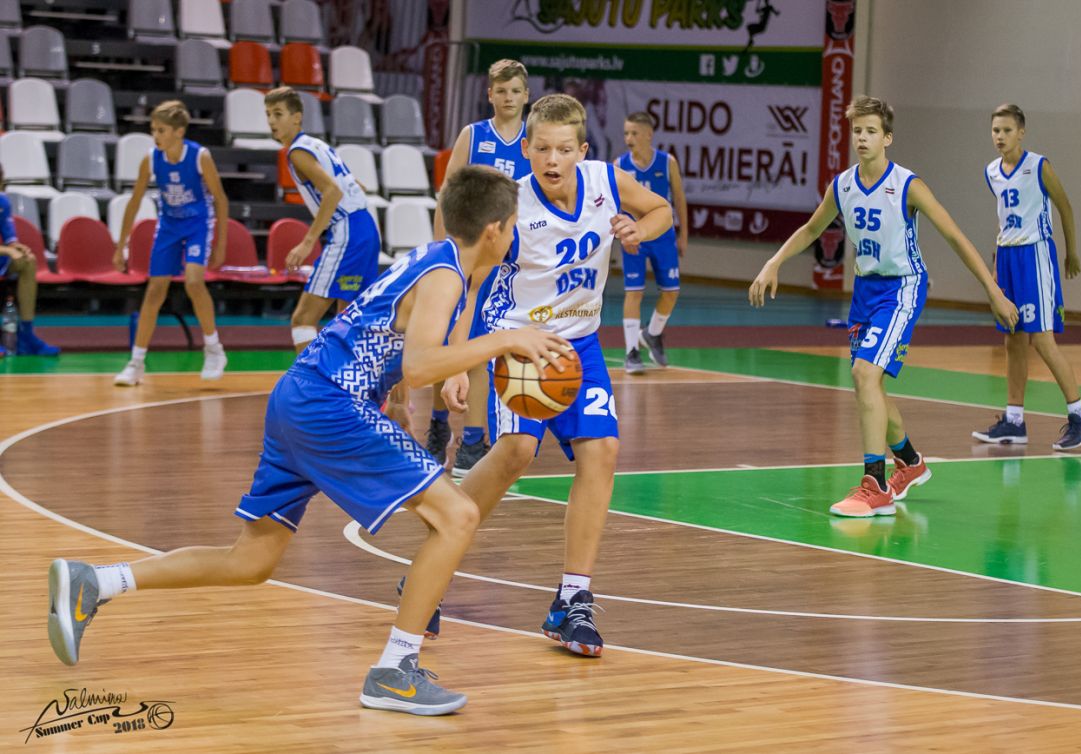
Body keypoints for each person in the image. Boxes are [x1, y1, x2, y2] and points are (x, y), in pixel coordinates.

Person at [47, 165, 570, 716]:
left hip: (299, 395)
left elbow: (392, 337)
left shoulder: (436, 260)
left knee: (250, 560)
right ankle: (395, 669)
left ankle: (96, 582)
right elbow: (419, 366)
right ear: (494, 229)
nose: (515, 232)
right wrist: (503, 340)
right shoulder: (445, 277)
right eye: (513, 223)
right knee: (458, 516)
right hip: (330, 405)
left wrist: (424, 381)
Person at [441, 94, 672, 656]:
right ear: (526, 149)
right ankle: (436, 554)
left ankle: (573, 600)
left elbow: (661, 209)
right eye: (542, 148)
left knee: (603, 450)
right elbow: (470, 282)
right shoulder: (510, 208)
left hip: (581, 345)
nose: (552, 159)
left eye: (564, 149)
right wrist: (458, 362)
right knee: (517, 451)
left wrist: (640, 231)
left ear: (582, 150)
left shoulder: (606, 181)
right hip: (518, 342)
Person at [749, 95, 1019, 518]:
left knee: (864, 373)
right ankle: (910, 462)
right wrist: (774, 262)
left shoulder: (908, 185)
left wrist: (994, 292)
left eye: (871, 131)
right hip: (865, 291)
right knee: (868, 384)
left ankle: (874, 485)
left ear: (887, 138)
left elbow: (955, 237)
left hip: (902, 288)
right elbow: (811, 229)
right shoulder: (842, 186)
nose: (862, 137)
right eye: (857, 130)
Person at [420, 59, 532, 476]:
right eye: (501, 91)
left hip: (508, 262)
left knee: (482, 348)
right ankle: (437, 427)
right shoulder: (474, 135)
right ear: (490, 95)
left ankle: (471, 441)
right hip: (467, 253)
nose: (508, 98)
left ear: (526, 95)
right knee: (447, 343)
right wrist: (441, 251)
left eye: (515, 91)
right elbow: (448, 193)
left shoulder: (533, 141)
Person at [972, 104, 1081, 451]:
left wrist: (1072, 252)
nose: (1000, 136)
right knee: (1013, 339)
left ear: (1021, 132)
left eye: (1007, 130)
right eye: (995, 130)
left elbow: (1065, 206)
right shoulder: (991, 172)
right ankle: (1014, 421)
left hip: (1036, 255)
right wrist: (996, 265)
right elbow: (1004, 218)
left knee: (1042, 340)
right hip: (1008, 258)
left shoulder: (1039, 166)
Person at [112, 101, 228, 385]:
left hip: (198, 224)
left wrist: (221, 244)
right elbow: (134, 202)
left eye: (161, 130)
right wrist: (121, 245)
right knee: (154, 290)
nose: (155, 135)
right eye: (153, 130)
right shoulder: (151, 159)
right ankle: (136, 362)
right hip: (169, 226)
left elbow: (221, 200)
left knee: (193, 282)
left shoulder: (199, 156)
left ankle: (214, 349)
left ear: (179, 132)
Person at [264, 86, 382, 353]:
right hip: (366, 228)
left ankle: (308, 380)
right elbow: (355, 185)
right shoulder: (317, 144)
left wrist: (307, 242)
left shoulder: (297, 152)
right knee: (348, 321)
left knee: (302, 319)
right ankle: (350, 377)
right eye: (268, 114)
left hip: (348, 231)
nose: (271, 121)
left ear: (297, 117)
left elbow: (332, 191)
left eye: (278, 114)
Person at [615, 111, 688, 373]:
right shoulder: (619, 164)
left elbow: (679, 200)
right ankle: (631, 352)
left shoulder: (667, 162)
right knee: (634, 291)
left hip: (663, 235)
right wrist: (622, 235)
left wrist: (684, 234)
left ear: (648, 134)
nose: (629, 138)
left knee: (671, 292)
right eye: (626, 133)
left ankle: (653, 333)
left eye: (634, 133)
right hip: (635, 234)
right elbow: (614, 204)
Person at [0, 169, 59, 357]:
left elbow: (10, 238)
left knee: (28, 262)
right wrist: (7, 251)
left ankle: (26, 335)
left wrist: (18, 247)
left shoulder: (3, 203)